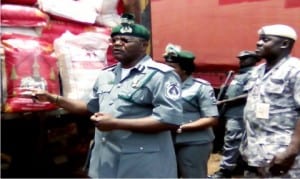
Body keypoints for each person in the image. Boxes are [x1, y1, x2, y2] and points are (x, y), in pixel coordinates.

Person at [23, 14, 183, 178]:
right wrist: (53, 98)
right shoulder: (107, 75)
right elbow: (89, 107)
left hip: (141, 164)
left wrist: (115, 123)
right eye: (114, 40)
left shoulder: (161, 75)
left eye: (125, 41)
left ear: (144, 45)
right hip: (105, 162)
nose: (118, 44)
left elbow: (169, 119)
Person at [239, 24, 300, 177]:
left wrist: (291, 151)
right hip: (254, 153)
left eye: (265, 40)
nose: (258, 43)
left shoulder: (295, 70)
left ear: (284, 44)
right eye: (259, 39)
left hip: (281, 154)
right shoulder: (257, 71)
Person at [163, 44, 219, 178]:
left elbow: (212, 118)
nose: (166, 70)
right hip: (167, 141)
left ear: (184, 70)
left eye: (172, 67)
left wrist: (183, 127)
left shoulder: (200, 87)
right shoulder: (162, 86)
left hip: (193, 142)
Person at [210, 50, 259, 178]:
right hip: (231, 113)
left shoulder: (253, 74)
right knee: (235, 141)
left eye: (245, 59)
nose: (241, 61)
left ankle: (225, 171)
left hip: (240, 114)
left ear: (254, 60)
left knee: (232, 141)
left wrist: (224, 101)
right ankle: (237, 168)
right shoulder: (239, 75)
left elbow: (248, 94)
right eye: (240, 59)